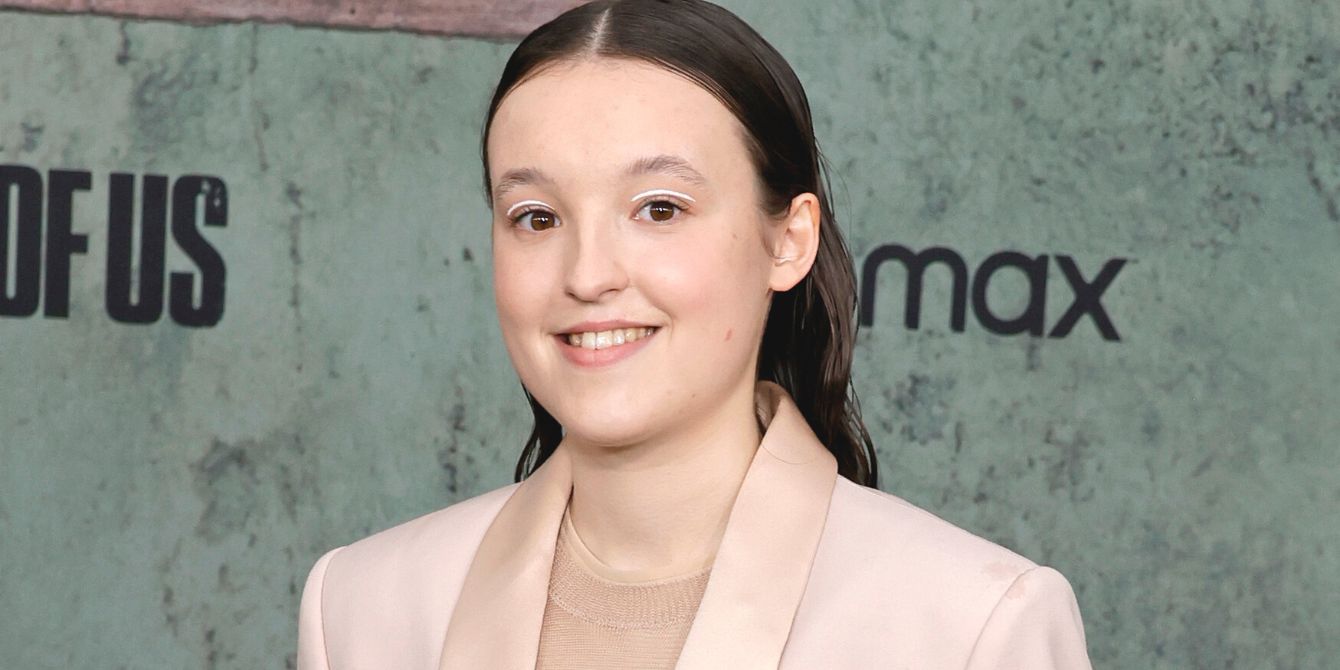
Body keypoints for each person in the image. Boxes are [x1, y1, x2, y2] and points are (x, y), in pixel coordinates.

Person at [297, 1, 1093, 668]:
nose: (589, 274)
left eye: (659, 209)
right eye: (536, 218)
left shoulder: (973, 628)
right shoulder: (362, 608)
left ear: (790, 240)